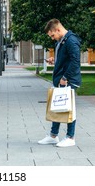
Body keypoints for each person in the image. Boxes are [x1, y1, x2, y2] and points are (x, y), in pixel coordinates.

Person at [38, 19, 81, 147]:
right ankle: (53, 135)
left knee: (69, 108)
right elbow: (66, 59)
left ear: (58, 29)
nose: (52, 38)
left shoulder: (71, 41)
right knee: (57, 107)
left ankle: (70, 137)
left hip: (68, 80)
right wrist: (55, 60)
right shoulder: (62, 41)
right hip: (62, 80)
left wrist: (65, 77)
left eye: (52, 35)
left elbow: (75, 62)